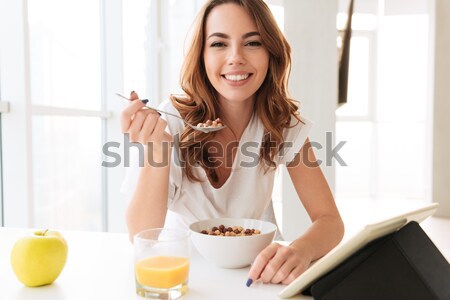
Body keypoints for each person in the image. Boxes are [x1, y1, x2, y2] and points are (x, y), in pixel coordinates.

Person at [120, 0, 344, 286]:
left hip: (256, 276)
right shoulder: (172, 121)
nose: (235, 58)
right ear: (201, 55)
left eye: (252, 43)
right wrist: (157, 150)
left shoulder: (280, 122)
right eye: (219, 44)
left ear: (271, 53)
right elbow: (140, 234)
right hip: (188, 278)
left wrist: (300, 250)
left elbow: (330, 221)